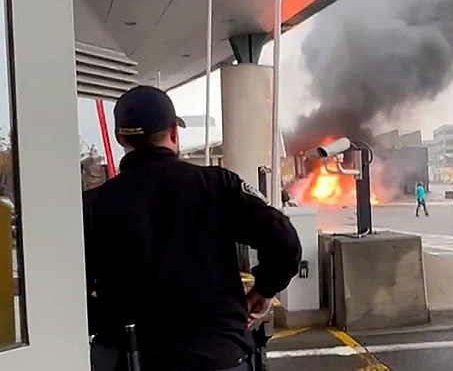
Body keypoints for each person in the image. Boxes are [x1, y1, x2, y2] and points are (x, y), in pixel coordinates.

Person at [84, 86, 302, 371]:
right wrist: (263, 289)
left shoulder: (94, 204)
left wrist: (107, 319)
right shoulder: (217, 186)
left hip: (130, 358)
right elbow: (284, 241)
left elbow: (72, 287)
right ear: (174, 132)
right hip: (216, 355)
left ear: (119, 137)